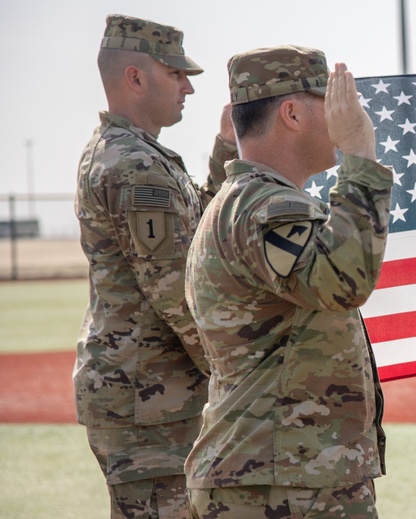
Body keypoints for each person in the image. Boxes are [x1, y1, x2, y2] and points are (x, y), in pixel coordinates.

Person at [183, 45, 392, 518]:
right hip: (282, 483)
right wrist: (360, 156)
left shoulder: (246, 200)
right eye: (332, 103)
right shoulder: (267, 206)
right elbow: (342, 280)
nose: (346, 116)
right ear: (292, 113)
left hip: (273, 474)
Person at [74, 13, 237, 519]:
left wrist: (227, 148)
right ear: (136, 78)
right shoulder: (135, 165)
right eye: (176, 73)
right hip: (150, 400)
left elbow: (196, 238)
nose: (189, 87)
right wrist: (236, 374)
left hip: (148, 392)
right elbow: (177, 290)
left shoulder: (138, 154)